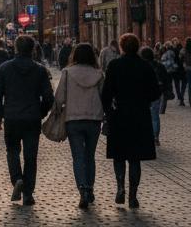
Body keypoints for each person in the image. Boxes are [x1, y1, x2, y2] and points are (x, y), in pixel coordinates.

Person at [0, 35, 54, 207]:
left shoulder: (5, 68)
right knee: (31, 157)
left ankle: (17, 179)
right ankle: (28, 193)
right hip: (32, 118)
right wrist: (41, 112)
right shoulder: (40, 70)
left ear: (16, 49)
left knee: (12, 151)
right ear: (33, 49)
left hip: (11, 117)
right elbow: (49, 97)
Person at [101, 33, 162, 210]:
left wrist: (108, 111)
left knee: (119, 155)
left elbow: (106, 93)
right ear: (137, 47)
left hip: (119, 115)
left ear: (121, 47)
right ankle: (133, 195)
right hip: (140, 116)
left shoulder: (114, 65)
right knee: (135, 158)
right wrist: (145, 101)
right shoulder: (145, 66)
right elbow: (155, 93)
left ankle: (120, 187)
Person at [56, 42, 104, 209]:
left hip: (73, 119)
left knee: (78, 156)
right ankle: (90, 188)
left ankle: (82, 188)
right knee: (90, 156)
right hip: (94, 118)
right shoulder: (98, 74)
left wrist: (56, 110)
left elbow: (59, 97)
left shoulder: (68, 73)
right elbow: (104, 96)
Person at [141, 47, 167, 144]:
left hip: (143, 94)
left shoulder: (141, 66)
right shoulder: (159, 65)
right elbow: (166, 79)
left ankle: (146, 136)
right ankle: (155, 137)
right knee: (155, 116)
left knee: (144, 115)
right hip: (156, 93)